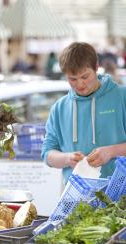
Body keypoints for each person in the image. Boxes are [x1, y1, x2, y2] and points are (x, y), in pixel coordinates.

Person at [42, 42, 126, 184]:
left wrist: (111, 151)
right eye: (72, 79)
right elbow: (47, 154)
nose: (80, 85)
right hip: (77, 198)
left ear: (96, 68)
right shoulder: (59, 108)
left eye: (85, 77)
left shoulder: (121, 97)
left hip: (121, 195)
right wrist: (67, 158)